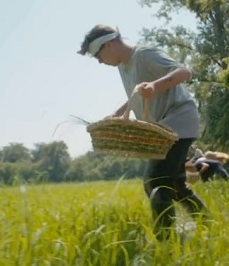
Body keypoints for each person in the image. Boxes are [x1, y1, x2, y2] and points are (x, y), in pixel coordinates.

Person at [78, 25, 207, 241]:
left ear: (108, 44)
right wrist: (118, 114)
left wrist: (156, 86)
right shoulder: (123, 66)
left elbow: (184, 72)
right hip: (164, 128)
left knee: (156, 181)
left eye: (97, 56)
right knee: (174, 183)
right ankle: (207, 222)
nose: (99, 62)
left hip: (179, 120)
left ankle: (166, 240)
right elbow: (136, 95)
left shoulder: (144, 54)